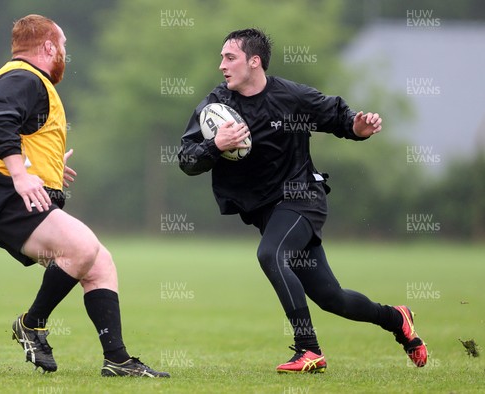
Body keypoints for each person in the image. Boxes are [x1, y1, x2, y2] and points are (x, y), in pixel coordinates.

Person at [178, 28, 428, 373]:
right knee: (331, 297)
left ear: (254, 62)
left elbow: (338, 116)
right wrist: (215, 145)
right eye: (221, 58)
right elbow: (187, 160)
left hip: (301, 198)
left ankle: (308, 349)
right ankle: (397, 319)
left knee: (270, 254)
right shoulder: (217, 106)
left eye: (229, 57)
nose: (221, 65)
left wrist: (358, 127)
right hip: (267, 212)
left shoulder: (291, 96)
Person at [0, 14, 169, 378]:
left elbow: (19, 131)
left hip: (16, 193)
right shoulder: (22, 76)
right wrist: (21, 175)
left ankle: (117, 360)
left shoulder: (30, 80)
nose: (64, 54)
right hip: (3, 193)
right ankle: (32, 324)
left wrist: (45, 169)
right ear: (48, 46)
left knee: (99, 262)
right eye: (62, 47)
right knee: (82, 247)